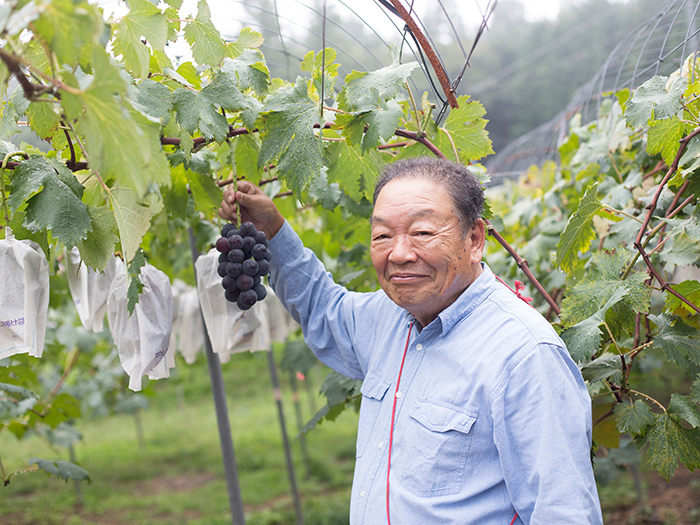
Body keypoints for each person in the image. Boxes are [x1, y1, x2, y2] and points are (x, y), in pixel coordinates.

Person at [219, 157, 603, 524]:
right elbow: (324, 308)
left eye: (422, 232)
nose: (399, 253)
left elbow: (563, 512)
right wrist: (274, 231)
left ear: (474, 238)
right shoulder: (387, 319)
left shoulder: (524, 355)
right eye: (383, 235)